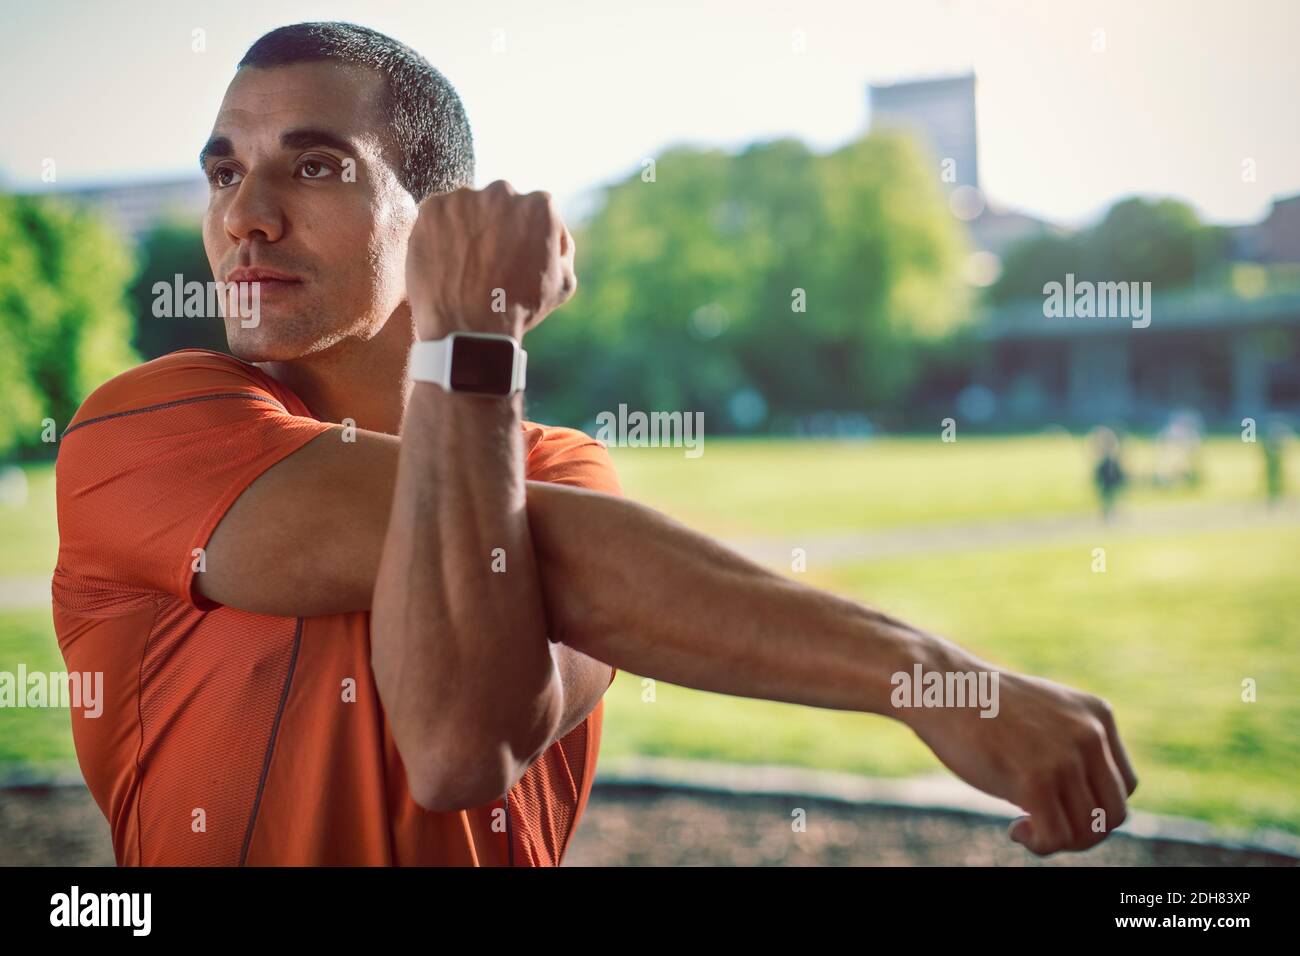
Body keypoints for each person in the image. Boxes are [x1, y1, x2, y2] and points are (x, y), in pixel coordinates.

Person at [52, 21, 1137, 866]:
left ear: (440, 218)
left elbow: (461, 732)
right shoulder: (147, 425)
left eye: (313, 166)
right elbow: (456, 739)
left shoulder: (560, 474)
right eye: (222, 169)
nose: (245, 213)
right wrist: (932, 675)